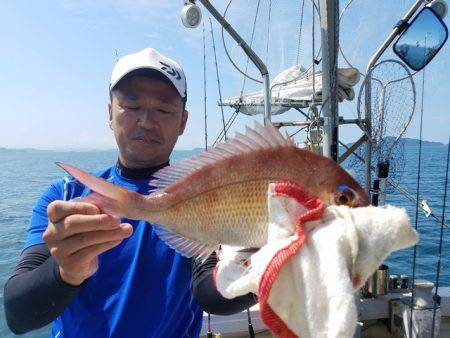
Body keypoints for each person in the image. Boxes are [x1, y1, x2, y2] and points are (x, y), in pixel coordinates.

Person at [3, 48, 256, 337]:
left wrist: (263, 265)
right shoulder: (64, 195)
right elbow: (17, 313)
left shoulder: (205, 196)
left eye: (163, 109)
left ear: (183, 122)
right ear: (111, 114)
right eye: (132, 106)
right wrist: (66, 272)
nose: (147, 121)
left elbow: (209, 291)